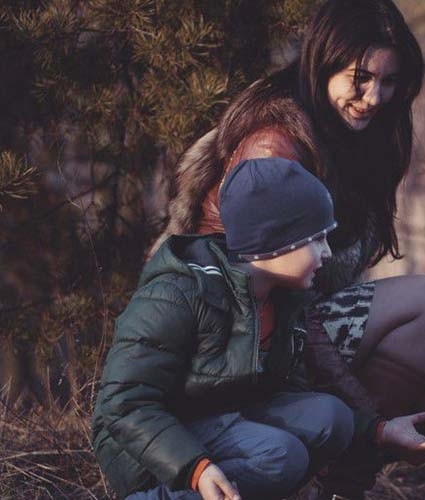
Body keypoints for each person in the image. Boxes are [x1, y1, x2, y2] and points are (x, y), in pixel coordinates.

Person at [152, 1, 425, 496]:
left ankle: (340, 483)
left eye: (389, 81)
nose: (375, 96)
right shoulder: (274, 145)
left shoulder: (353, 134)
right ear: (325, 60)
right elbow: (262, 301)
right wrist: (371, 420)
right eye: (361, 77)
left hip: (290, 322)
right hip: (236, 341)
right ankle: (335, 479)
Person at [92, 158, 354, 500]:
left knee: (333, 418)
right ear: (275, 241)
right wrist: (195, 466)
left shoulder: (284, 299)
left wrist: (375, 430)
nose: (327, 253)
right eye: (316, 239)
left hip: (220, 416)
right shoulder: (179, 292)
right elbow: (124, 404)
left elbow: (291, 390)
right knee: (281, 456)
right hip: (146, 447)